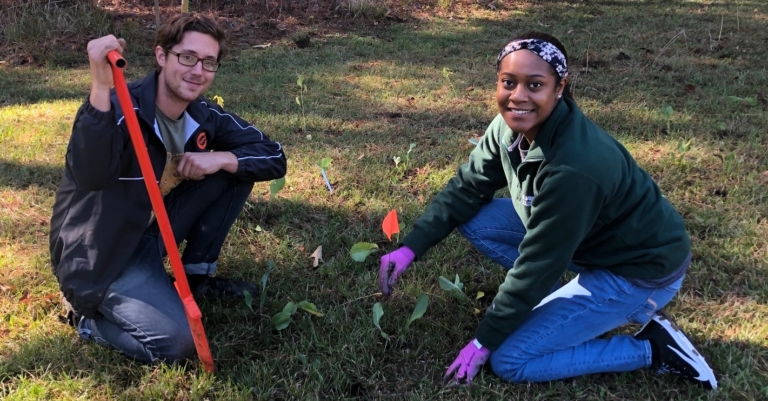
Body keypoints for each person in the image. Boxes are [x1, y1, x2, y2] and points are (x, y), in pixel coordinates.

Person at [379, 32, 717, 390]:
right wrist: (409, 247)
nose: (518, 96)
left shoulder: (575, 169)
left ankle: (653, 347)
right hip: (587, 242)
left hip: (638, 271)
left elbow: (539, 262)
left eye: (534, 84)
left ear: (559, 88)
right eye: (508, 82)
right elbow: (466, 189)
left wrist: (483, 341)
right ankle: (552, 305)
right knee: (474, 218)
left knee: (510, 359)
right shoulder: (508, 126)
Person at [49, 14, 286, 363]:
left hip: (152, 233)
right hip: (103, 253)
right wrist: (100, 87)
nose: (197, 70)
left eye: (209, 62)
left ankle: (195, 279)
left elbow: (273, 156)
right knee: (175, 343)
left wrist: (219, 158)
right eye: (187, 57)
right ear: (162, 56)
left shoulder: (204, 114)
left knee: (233, 169)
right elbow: (91, 176)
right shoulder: (115, 108)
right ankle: (86, 319)